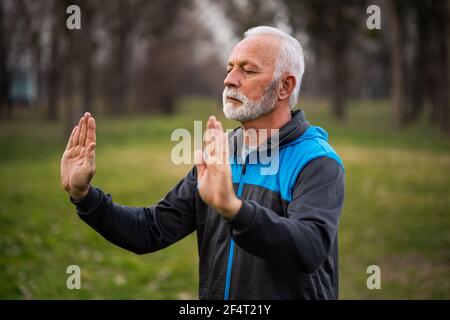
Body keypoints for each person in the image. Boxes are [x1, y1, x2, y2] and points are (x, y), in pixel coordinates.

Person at [60, 26, 345, 300]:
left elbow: (310, 247)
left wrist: (234, 210)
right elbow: (151, 230)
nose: (230, 79)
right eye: (230, 68)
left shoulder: (316, 161)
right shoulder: (220, 152)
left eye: (247, 70)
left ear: (285, 86)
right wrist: (84, 196)